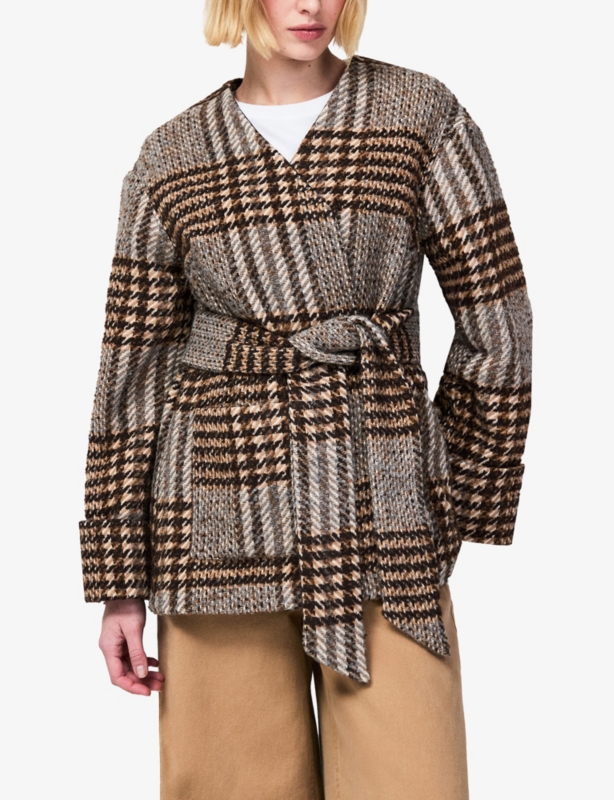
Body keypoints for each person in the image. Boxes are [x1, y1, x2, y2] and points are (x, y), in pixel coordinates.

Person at [79, 0, 532, 797]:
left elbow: (500, 324)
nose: (310, 4)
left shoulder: (420, 115)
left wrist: (449, 490)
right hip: (215, 516)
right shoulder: (171, 156)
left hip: (383, 505)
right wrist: (119, 577)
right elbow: (132, 375)